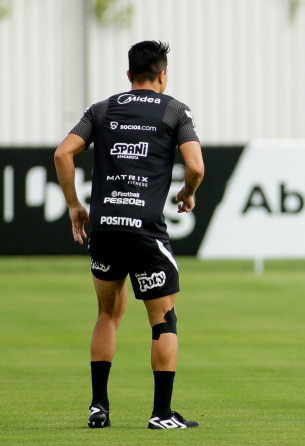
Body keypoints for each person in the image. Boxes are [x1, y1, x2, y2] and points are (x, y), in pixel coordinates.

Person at [54, 40, 204, 429]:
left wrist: (75, 205)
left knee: (107, 313)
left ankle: (99, 406)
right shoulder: (174, 110)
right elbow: (196, 166)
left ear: (128, 76)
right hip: (145, 232)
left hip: (103, 228)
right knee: (163, 318)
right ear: (162, 75)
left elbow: (62, 154)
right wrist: (187, 194)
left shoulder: (101, 109)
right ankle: (161, 414)